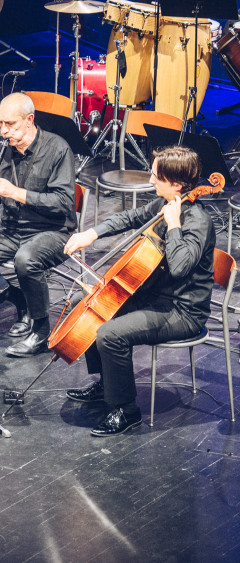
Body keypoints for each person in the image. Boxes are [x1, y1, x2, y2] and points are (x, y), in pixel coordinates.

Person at [61, 145, 214, 436]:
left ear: (177, 184)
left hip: (182, 311)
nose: (151, 180)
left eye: (157, 176)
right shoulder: (164, 203)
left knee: (110, 333)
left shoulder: (197, 222)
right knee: (88, 301)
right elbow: (129, 218)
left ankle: (126, 411)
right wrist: (91, 233)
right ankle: (108, 384)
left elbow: (180, 267)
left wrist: (173, 226)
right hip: (153, 297)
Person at [0, 92, 76, 357]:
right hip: (11, 229)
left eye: (10, 124)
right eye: (0, 124)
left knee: (25, 259)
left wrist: (15, 192)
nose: (3, 131)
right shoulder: (3, 147)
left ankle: (41, 331)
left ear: (29, 120)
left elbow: (64, 203)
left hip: (51, 230)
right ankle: (21, 300)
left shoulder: (57, 149)